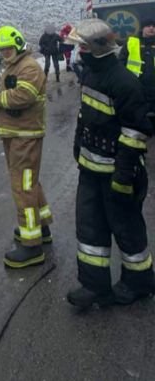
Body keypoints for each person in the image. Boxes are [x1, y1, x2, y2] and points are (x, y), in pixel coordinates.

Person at [64, 19, 154, 309]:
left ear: (98, 48)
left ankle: (139, 283)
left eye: (84, 47)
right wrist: (79, 145)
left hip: (118, 174)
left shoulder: (123, 82)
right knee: (90, 229)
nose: (80, 52)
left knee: (127, 229)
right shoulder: (91, 75)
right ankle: (94, 286)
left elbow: (136, 132)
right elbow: (85, 116)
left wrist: (123, 176)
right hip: (90, 171)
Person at [0, 25, 51, 268]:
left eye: (7, 49)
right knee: (30, 182)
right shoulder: (16, 66)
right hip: (17, 134)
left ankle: (31, 246)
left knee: (23, 186)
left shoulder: (28, 67)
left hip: (25, 135)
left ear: (18, 45)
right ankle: (41, 227)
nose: (4, 53)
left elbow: (22, 96)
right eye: (1, 50)